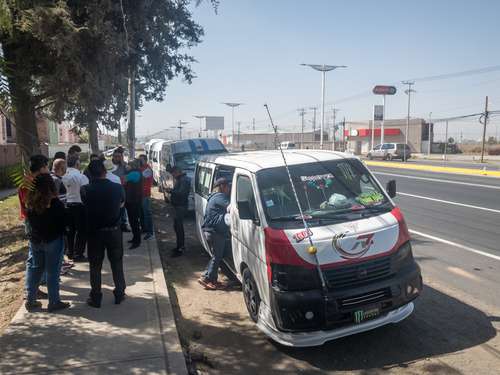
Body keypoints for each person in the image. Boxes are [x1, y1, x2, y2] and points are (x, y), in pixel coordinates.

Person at [81, 160, 126, 307]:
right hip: (114, 231)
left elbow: (86, 204)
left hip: (94, 233)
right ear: (105, 172)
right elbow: (121, 204)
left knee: (95, 266)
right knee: (117, 263)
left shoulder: (85, 189)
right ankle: (119, 293)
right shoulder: (118, 188)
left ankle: (96, 297)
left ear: (89, 174)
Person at [24, 173, 70, 312]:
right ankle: (54, 302)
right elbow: (63, 224)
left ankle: (30, 299)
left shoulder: (30, 203)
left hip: (36, 240)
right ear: (50, 186)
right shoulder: (56, 204)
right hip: (53, 240)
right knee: (52, 272)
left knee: (35, 269)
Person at [198, 178, 231, 290]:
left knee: (215, 256)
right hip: (215, 232)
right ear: (222, 186)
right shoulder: (220, 197)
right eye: (228, 186)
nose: (229, 189)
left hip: (210, 231)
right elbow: (232, 207)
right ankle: (207, 279)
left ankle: (210, 278)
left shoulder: (213, 197)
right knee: (217, 256)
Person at [62, 155, 89, 262]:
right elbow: (86, 191)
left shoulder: (64, 176)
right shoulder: (81, 177)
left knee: (70, 230)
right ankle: (79, 253)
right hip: (80, 205)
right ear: (77, 164)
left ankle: (70, 252)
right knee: (82, 231)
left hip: (68, 204)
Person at [169, 166, 191, 257]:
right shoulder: (180, 179)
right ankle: (179, 246)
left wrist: (171, 191)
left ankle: (180, 247)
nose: (173, 176)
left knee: (179, 227)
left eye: (173, 174)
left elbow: (182, 193)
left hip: (181, 206)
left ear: (177, 172)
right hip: (178, 206)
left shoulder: (184, 180)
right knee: (176, 226)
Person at [124, 159, 143, 249]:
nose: (127, 166)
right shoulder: (135, 172)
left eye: (128, 165)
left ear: (133, 165)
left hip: (133, 201)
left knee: (134, 221)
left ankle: (137, 241)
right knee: (132, 221)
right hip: (132, 200)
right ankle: (135, 238)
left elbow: (122, 180)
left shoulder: (134, 173)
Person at [112, 147, 130, 232]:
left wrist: (123, 162)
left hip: (122, 189)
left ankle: (124, 224)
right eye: (115, 156)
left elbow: (128, 171)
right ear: (113, 156)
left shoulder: (124, 165)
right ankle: (115, 224)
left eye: (119, 156)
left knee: (123, 208)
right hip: (111, 189)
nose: (117, 158)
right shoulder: (108, 165)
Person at [138, 154, 154, 240]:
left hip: (145, 194)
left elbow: (141, 178)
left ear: (145, 160)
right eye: (139, 160)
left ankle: (150, 232)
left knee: (147, 213)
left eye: (141, 160)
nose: (140, 161)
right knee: (141, 213)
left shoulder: (148, 169)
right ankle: (144, 228)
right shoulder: (140, 168)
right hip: (140, 194)